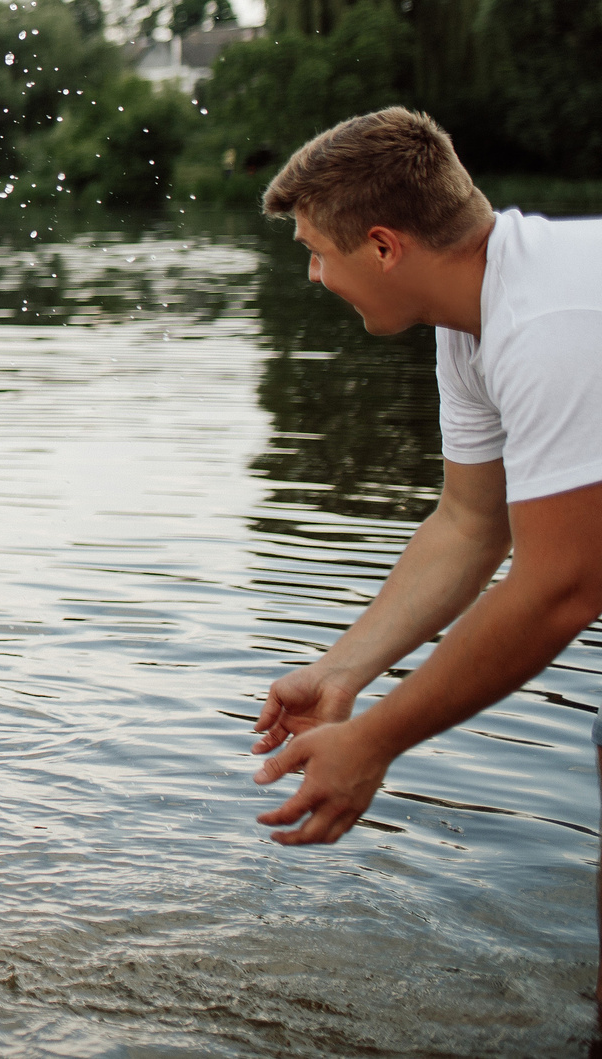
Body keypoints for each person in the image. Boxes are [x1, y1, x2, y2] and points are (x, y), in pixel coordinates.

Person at [248, 110, 602, 936]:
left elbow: (564, 586)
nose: (312, 275)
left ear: (383, 245)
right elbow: (472, 525)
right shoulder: (474, 321)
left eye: (316, 251)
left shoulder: (548, 325)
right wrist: (343, 673)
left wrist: (373, 743)